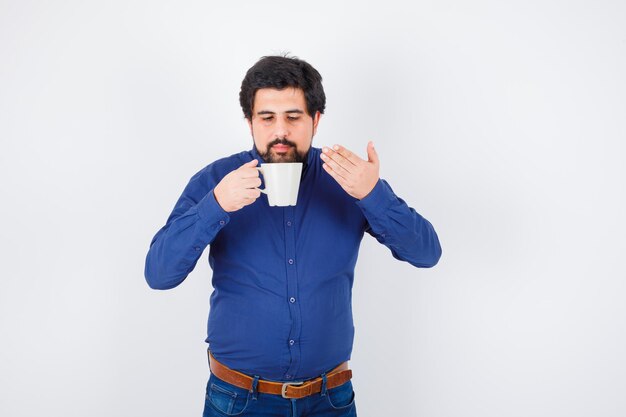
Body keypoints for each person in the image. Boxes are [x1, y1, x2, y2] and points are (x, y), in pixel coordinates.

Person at [144, 54, 442, 417]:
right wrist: (216, 205)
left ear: (315, 120)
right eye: (267, 118)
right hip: (238, 401)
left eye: (293, 117)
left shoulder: (349, 178)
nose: (280, 131)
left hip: (330, 400)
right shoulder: (215, 181)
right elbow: (159, 275)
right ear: (250, 121)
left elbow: (427, 253)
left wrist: (372, 193)